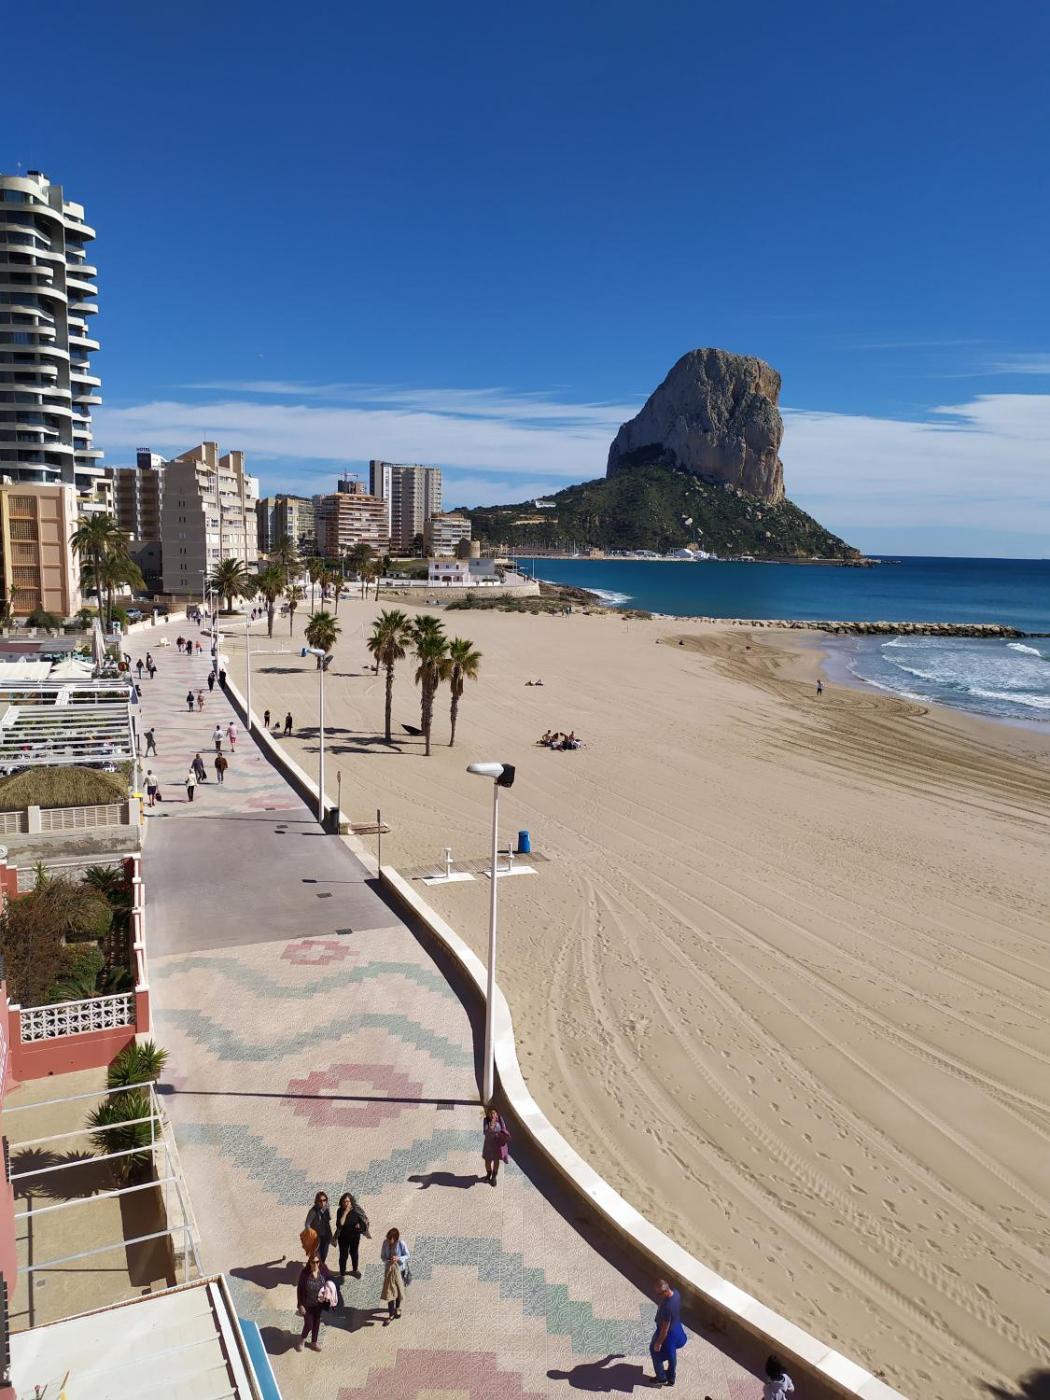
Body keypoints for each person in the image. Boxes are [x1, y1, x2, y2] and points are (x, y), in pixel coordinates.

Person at [650, 1278, 687, 1388]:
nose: (657, 1296)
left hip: (669, 1334)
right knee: (672, 1355)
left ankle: (661, 1378)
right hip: (677, 1327)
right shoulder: (676, 1293)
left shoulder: (667, 1307)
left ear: (665, 1292)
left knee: (655, 1351)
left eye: (659, 1294)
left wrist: (658, 1343)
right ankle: (671, 1378)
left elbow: (665, 1329)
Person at [295, 1252, 334, 1353]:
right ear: (310, 1262)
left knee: (316, 1322)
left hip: (319, 1304)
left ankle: (314, 1342)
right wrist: (300, 1305)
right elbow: (300, 1290)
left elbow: (330, 1279)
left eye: (317, 1262)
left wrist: (329, 1291)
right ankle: (302, 1340)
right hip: (307, 1304)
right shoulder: (304, 1274)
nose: (315, 1264)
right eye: (313, 1262)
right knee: (309, 1324)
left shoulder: (323, 1269)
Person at [334, 1192, 369, 1279]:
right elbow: (340, 1224)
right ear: (341, 1202)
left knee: (354, 1254)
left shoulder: (356, 1210)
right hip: (343, 1237)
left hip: (354, 1237)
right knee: (343, 1255)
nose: (346, 1203)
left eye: (348, 1201)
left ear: (351, 1201)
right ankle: (342, 1273)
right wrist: (345, 1212)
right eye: (344, 1201)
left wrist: (360, 1225)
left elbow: (365, 1220)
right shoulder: (340, 1211)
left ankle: (355, 1270)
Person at [380, 1228, 409, 1321]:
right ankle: (391, 1314)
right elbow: (382, 1256)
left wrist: (398, 1258)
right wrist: (388, 1260)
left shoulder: (401, 1243)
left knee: (399, 1290)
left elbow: (407, 1255)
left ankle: (397, 1308)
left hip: (400, 1270)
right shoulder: (385, 1243)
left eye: (390, 1239)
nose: (389, 1240)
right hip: (389, 1270)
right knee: (390, 1291)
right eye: (388, 1238)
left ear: (396, 1238)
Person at [482, 1104, 511, 1185]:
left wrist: (501, 1134)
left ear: (496, 1113)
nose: (492, 1115)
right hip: (489, 1145)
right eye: (490, 1113)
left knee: (496, 1160)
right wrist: (491, 1126)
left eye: (493, 1113)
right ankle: (489, 1174)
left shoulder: (500, 1119)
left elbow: (504, 1129)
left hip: (498, 1144)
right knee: (487, 1161)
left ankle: (494, 1177)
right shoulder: (486, 1120)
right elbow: (485, 1132)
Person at [304, 1191, 333, 1264]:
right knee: (316, 1255)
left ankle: (321, 1266)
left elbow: (328, 1221)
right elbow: (307, 1224)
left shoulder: (327, 1207)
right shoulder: (313, 1211)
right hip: (317, 1237)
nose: (322, 1202)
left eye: (324, 1200)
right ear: (317, 1201)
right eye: (320, 1201)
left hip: (326, 1235)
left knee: (324, 1254)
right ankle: (313, 1267)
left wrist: (331, 1236)